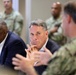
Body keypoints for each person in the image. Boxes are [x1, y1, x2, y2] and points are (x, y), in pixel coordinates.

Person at [12, 1, 76, 75]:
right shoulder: (28, 50)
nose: (34, 38)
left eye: (38, 34)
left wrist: (29, 69)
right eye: (32, 34)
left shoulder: (59, 51)